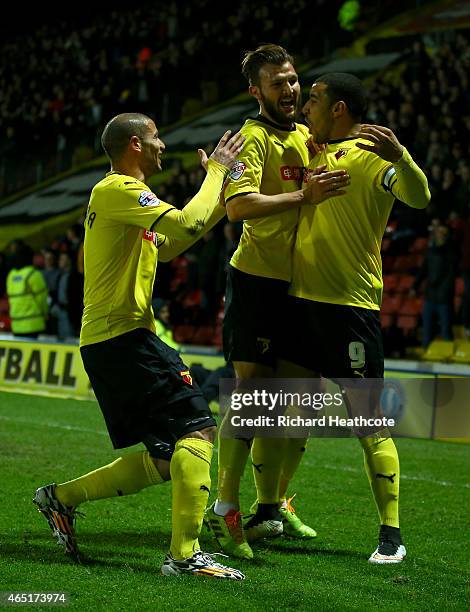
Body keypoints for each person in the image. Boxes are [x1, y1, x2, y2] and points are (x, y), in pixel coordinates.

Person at [33, 112, 247, 580]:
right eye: (155, 138)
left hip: (117, 337)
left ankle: (60, 498)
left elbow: (173, 242)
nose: (163, 145)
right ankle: (184, 556)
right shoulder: (118, 190)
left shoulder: (125, 200)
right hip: (122, 336)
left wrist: (224, 194)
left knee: (169, 456)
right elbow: (185, 223)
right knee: (198, 428)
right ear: (134, 144)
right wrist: (216, 173)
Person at [205, 44, 350, 560]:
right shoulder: (253, 138)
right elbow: (237, 206)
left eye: (292, 80)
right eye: (277, 83)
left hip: (305, 286)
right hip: (258, 282)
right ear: (256, 91)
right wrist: (302, 197)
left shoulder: (311, 135)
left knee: (302, 398)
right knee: (252, 395)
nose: (289, 90)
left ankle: (272, 506)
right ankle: (223, 504)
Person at [279, 73, 430, 563]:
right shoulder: (309, 147)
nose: (305, 108)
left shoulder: (372, 161)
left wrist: (401, 156)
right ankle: (268, 508)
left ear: (339, 108)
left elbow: (420, 197)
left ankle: (392, 536)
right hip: (299, 304)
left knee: (368, 423)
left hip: (349, 310)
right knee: (288, 414)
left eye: (314, 100)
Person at [6, 241, 48, 338]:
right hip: (33, 324)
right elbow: (42, 299)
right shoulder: (33, 274)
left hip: (16, 325)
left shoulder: (11, 275)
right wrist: (45, 314)